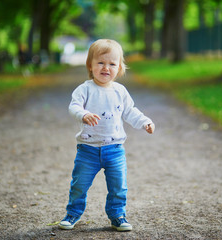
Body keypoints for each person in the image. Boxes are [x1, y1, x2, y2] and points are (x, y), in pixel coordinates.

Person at [58, 39, 155, 232]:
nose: (106, 68)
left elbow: (130, 111)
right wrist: (83, 114)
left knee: (119, 187)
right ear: (90, 65)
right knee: (79, 185)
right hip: (88, 150)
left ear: (119, 67)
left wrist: (145, 121)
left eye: (112, 64)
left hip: (115, 150)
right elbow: (74, 106)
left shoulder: (120, 91)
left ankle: (117, 215)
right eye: (101, 63)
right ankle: (73, 213)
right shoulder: (85, 89)